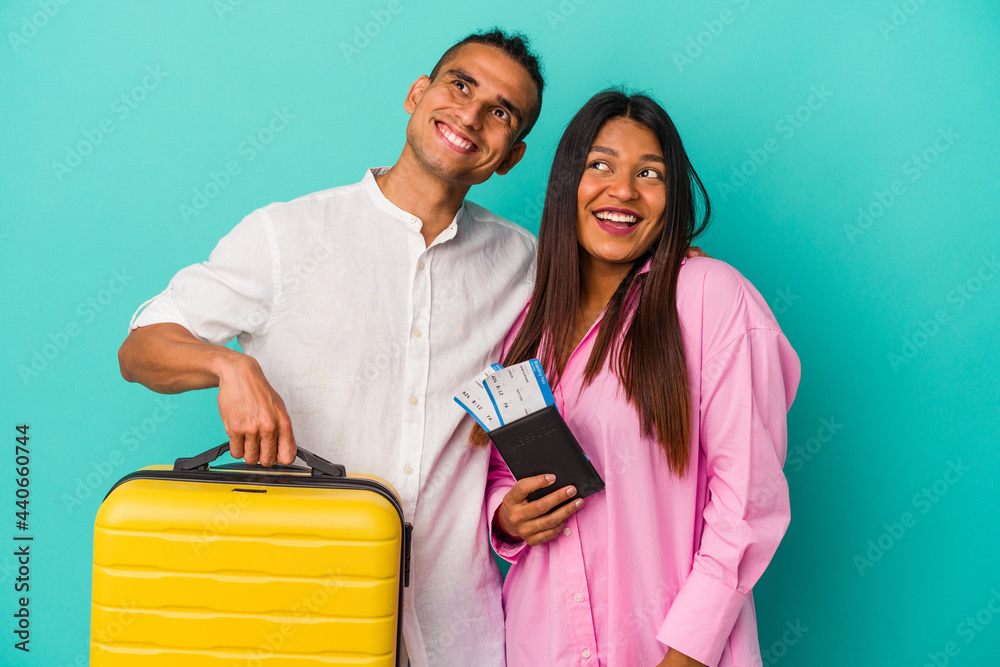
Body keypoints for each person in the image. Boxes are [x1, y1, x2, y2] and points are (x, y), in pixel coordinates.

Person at [117, 29, 546, 667]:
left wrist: (673, 264)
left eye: (501, 112)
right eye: (461, 85)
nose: (472, 115)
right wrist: (227, 364)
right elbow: (141, 350)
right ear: (417, 93)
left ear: (510, 155)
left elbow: (609, 316)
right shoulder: (284, 235)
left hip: (458, 631)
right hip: (299, 617)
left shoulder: (525, 263)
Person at [481, 90, 801, 666]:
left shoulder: (708, 298)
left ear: (671, 196)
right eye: (599, 165)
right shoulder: (526, 323)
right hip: (539, 641)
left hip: (666, 649)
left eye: (648, 173)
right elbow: (499, 470)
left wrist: (685, 654)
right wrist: (507, 513)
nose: (622, 190)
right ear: (565, 185)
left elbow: (747, 502)